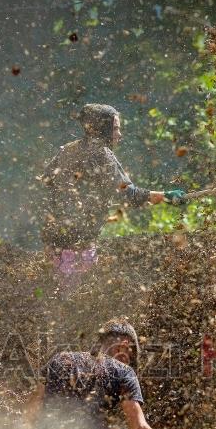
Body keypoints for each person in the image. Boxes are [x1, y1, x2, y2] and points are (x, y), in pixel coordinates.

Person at [23, 318, 201, 429]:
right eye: (130, 353)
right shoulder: (124, 371)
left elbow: (31, 410)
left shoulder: (60, 358)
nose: (129, 359)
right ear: (124, 346)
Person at [40, 104, 187, 291]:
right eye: (115, 128)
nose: (119, 134)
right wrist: (166, 196)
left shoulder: (68, 149)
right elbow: (131, 194)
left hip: (53, 242)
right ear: (103, 128)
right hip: (78, 246)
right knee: (78, 298)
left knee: (58, 294)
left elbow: (49, 183)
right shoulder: (103, 156)